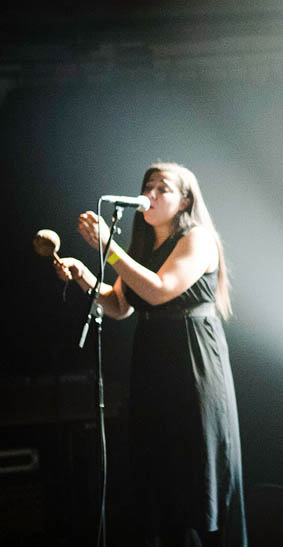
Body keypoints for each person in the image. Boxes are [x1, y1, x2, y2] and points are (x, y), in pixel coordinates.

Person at [55, 162, 247, 546]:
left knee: (194, 462)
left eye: (163, 188)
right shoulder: (143, 245)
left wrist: (108, 248)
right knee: (157, 464)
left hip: (192, 359)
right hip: (153, 358)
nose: (152, 194)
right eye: (148, 186)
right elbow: (120, 305)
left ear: (185, 200)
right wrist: (83, 276)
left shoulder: (197, 238)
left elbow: (161, 289)